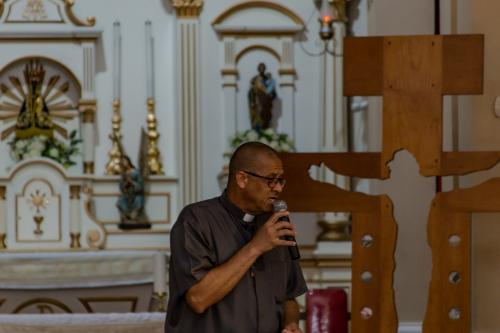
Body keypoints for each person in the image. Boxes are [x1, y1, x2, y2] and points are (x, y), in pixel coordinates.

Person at [166, 142, 307, 333]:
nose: (277, 188)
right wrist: (255, 247)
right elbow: (198, 299)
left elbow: (289, 297)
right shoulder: (195, 220)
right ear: (242, 179)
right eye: (271, 180)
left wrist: (291, 324)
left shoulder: (276, 224)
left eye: (281, 180)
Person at [116, 156, 147, 226]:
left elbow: (141, 185)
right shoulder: (124, 174)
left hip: (136, 194)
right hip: (127, 195)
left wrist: (132, 183)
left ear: (128, 161)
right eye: (122, 162)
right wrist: (126, 184)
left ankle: (134, 217)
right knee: (120, 201)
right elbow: (121, 186)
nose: (124, 163)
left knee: (138, 200)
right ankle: (126, 217)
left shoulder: (136, 172)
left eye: (125, 161)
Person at [248, 62, 277, 131]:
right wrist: (252, 100)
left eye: (263, 68)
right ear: (258, 69)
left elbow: (273, 93)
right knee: (257, 116)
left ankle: (266, 130)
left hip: (266, 103)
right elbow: (251, 91)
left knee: (266, 117)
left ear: (265, 69)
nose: (262, 69)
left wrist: (271, 95)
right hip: (258, 102)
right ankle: (257, 130)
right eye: (260, 68)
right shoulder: (254, 79)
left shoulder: (268, 79)